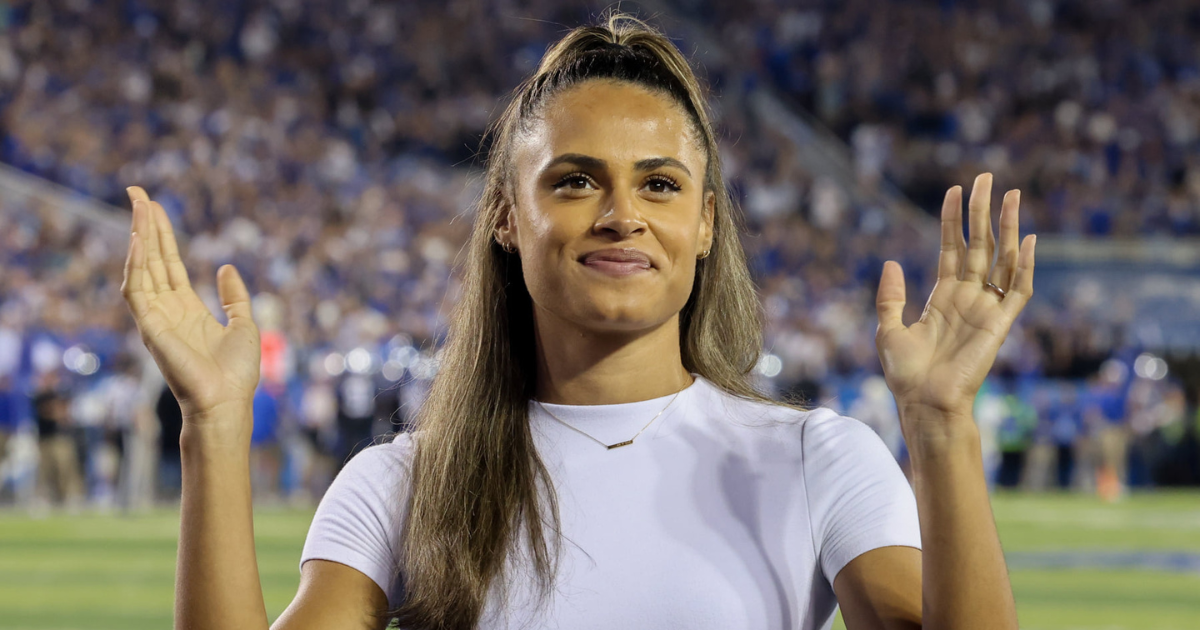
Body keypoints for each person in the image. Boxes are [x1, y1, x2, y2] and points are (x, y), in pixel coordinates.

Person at [119, 15, 1035, 630]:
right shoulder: (404, 480)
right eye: (575, 178)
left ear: (706, 224)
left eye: (661, 184)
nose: (622, 214)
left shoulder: (814, 456)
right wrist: (214, 425)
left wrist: (943, 426)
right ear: (507, 219)